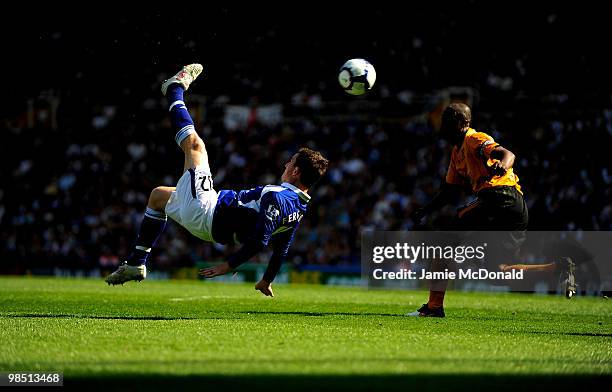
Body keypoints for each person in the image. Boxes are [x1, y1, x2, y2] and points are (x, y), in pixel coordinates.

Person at [104, 64, 329, 297]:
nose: (286, 165)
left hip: (207, 210)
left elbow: (260, 240)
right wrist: (266, 280)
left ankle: (174, 89)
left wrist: (228, 266)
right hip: (211, 218)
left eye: (291, 162)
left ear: (296, 172)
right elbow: (282, 248)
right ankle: (135, 263)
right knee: (159, 196)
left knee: (194, 146)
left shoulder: (277, 196)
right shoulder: (299, 206)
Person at [407, 102, 530, 317]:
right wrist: (426, 210)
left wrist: (504, 164)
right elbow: (449, 191)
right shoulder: (457, 153)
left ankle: (434, 307)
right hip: (513, 207)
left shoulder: (474, 139)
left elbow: (507, 154)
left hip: (499, 197)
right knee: (497, 273)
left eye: (449, 122)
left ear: (464, 123)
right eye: (443, 122)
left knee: (443, 242)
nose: (443, 126)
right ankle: (559, 267)